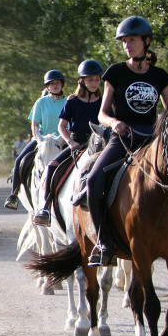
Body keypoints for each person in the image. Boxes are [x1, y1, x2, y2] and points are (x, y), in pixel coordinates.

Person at [85, 16, 168, 268]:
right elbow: (101, 113)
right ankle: (104, 243)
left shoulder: (160, 76)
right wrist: (113, 123)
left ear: (146, 41)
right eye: (124, 41)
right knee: (94, 180)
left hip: (154, 140)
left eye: (132, 40)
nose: (127, 45)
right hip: (123, 139)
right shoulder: (115, 72)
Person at [32, 59, 103, 226]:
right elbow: (61, 126)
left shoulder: (103, 100)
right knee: (51, 166)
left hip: (99, 145)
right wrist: (70, 142)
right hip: (76, 143)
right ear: (82, 81)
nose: (94, 83)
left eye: (97, 79)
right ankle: (46, 208)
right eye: (90, 79)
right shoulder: (72, 100)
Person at [5, 70, 67, 210]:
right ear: (47, 86)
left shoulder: (68, 101)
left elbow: (70, 124)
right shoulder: (40, 102)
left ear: (61, 84)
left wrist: (62, 140)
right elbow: (34, 125)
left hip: (62, 139)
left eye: (57, 83)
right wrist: (40, 141)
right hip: (42, 139)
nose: (55, 86)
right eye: (52, 84)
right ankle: (13, 195)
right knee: (21, 159)